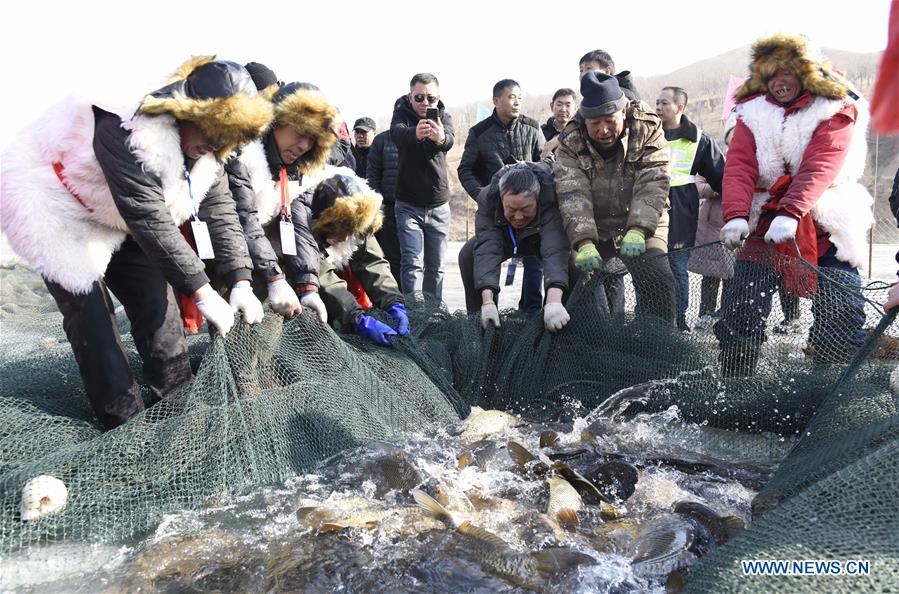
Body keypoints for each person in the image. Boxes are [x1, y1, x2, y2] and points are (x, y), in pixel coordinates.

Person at [0, 57, 272, 429]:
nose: (213, 143)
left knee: (159, 309)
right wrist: (203, 292)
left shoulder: (211, 152)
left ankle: (179, 410)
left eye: (225, 137)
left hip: (118, 214)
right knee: (93, 319)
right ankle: (125, 427)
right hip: (55, 205)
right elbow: (148, 216)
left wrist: (240, 279)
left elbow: (221, 209)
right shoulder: (128, 126)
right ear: (184, 110)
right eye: (210, 129)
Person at [715, 33, 874, 375]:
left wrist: (791, 211)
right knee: (741, 306)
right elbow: (740, 165)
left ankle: (831, 383)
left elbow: (821, 163)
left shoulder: (837, 105)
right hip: (764, 219)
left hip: (826, 219)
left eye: (786, 73)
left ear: (806, 73)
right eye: (771, 74)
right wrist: (736, 216)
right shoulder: (750, 111)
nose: (779, 82)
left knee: (840, 308)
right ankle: (735, 379)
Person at [554, 71, 676, 323]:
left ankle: (661, 348)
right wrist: (583, 241)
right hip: (594, 225)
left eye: (609, 120)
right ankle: (593, 342)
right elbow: (572, 192)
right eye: (594, 123)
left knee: (657, 276)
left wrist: (639, 229)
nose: (603, 130)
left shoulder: (647, 126)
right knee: (579, 277)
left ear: (623, 111)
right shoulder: (570, 140)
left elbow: (654, 180)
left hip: (645, 220)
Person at [225, 81, 341, 326]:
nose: (304, 146)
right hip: (227, 260)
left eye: (312, 140)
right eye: (300, 133)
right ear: (276, 121)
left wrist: (308, 285)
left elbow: (299, 226)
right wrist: (275, 278)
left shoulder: (298, 171)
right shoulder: (242, 155)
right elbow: (244, 218)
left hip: (264, 261)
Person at [457, 79, 546, 315]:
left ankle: (536, 314)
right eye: (510, 97)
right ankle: (482, 318)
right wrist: (483, 195)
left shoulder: (532, 127)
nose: (516, 102)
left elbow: (547, 164)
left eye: (519, 97)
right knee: (469, 255)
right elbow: (465, 170)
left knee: (552, 259)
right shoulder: (479, 132)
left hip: (532, 217)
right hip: (498, 217)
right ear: (496, 101)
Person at [459, 163, 573, 333]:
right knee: (468, 254)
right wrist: (487, 301)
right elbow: (487, 249)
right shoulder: (488, 199)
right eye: (511, 209)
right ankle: (484, 325)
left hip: (539, 236)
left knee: (575, 261)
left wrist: (553, 301)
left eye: (526, 209)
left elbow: (555, 249)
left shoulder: (550, 195)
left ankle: (557, 322)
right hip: (505, 236)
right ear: (501, 200)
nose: (518, 216)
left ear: (537, 199)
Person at [305, 173, 409, 345]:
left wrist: (394, 303)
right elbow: (324, 278)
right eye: (339, 230)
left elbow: (372, 263)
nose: (346, 238)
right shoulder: (305, 227)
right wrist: (357, 319)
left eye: (351, 231)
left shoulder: (360, 222)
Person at [655, 86, 726, 331]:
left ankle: (679, 319)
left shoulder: (698, 138)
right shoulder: (648, 133)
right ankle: (651, 316)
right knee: (651, 266)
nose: (658, 108)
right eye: (657, 103)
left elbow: (721, 174)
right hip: (650, 207)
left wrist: (734, 209)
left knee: (677, 265)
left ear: (680, 107)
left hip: (681, 210)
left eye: (665, 103)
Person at [390, 72, 455, 299]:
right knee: (412, 263)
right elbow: (396, 134)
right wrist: (415, 133)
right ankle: (415, 313)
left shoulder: (443, 117)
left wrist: (440, 138)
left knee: (436, 266)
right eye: (419, 98)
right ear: (410, 97)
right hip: (408, 204)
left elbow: (450, 140)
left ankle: (434, 313)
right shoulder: (401, 114)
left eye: (431, 99)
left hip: (438, 203)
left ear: (438, 98)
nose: (425, 103)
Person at [366, 129, 401, 285]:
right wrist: (379, 199)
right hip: (389, 205)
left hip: (413, 204)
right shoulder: (382, 140)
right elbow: (372, 172)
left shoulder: (417, 137)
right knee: (392, 254)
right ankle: (396, 294)